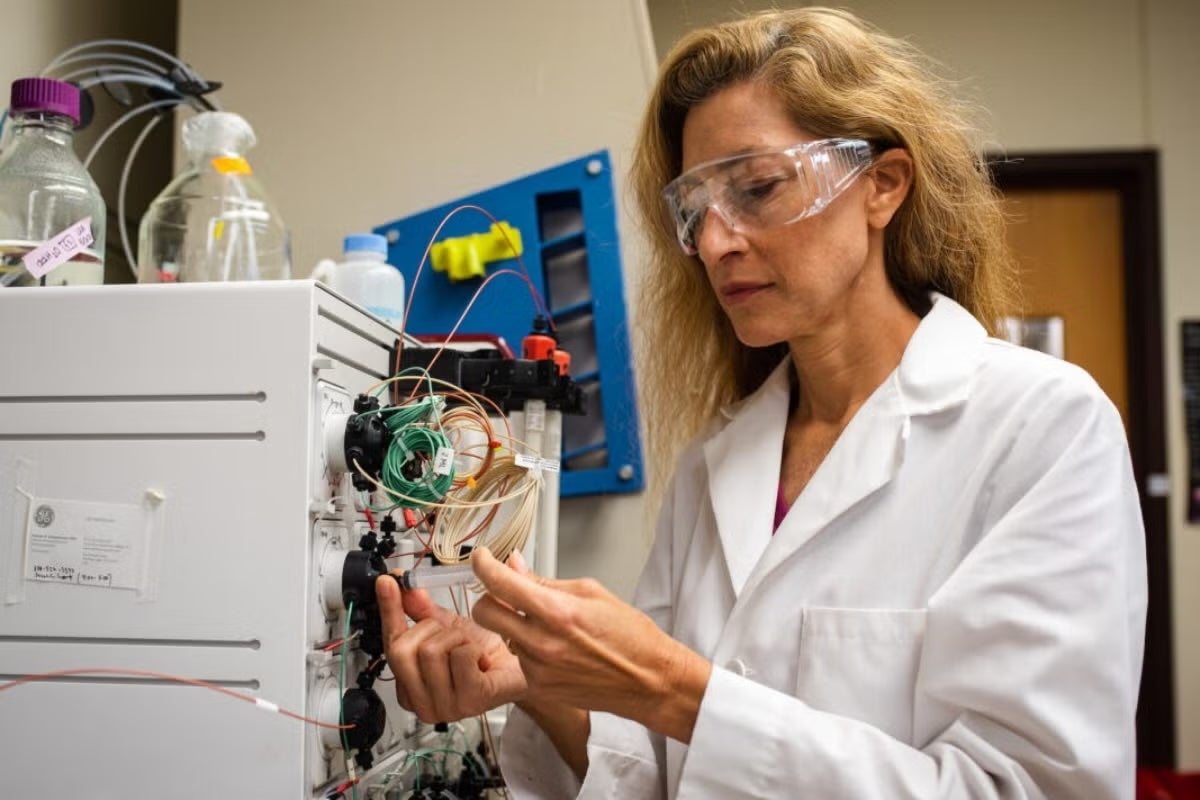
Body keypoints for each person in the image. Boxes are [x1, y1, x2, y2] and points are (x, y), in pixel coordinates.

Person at [375, 7, 1148, 798]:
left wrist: (672, 687)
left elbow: (1035, 788)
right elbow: (652, 770)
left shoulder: (1041, 428)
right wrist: (540, 681)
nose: (715, 243)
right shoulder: (722, 460)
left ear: (881, 184)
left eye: (757, 188)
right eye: (695, 210)